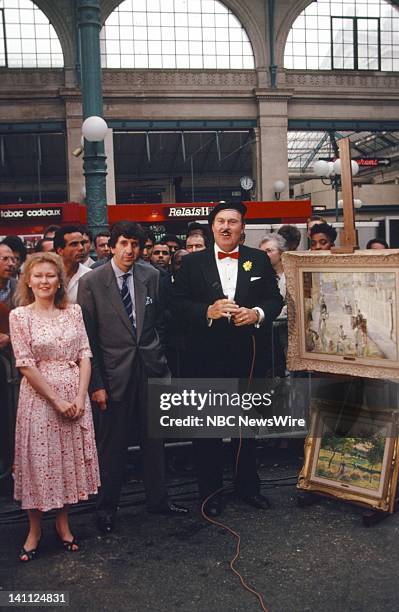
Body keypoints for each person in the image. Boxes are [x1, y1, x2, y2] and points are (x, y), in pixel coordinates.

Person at [173, 202, 283, 517]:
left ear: (242, 228)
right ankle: (210, 494)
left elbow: (274, 299)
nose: (226, 227)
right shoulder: (193, 263)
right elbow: (176, 305)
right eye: (220, 221)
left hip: (247, 355)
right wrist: (206, 311)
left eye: (232, 222)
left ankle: (248, 487)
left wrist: (257, 313)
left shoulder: (258, 259)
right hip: (204, 356)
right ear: (212, 227)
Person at [77, 221, 188, 534]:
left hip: (150, 367)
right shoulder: (92, 281)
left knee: (156, 439)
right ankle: (107, 508)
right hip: (113, 374)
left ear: (143, 248)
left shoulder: (151, 275)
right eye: (124, 243)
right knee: (113, 445)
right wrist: (96, 384)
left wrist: (157, 354)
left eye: (136, 245)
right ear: (112, 246)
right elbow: (88, 338)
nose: (130, 250)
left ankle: (159, 500)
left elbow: (160, 320)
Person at [9, 252, 100, 562]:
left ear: (60, 280)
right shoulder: (20, 316)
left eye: (50, 275)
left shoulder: (73, 312)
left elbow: (85, 355)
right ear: (28, 281)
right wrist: (57, 400)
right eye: (39, 276)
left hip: (75, 394)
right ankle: (34, 531)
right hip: (39, 399)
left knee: (66, 461)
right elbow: (25, 364)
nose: (45, 281)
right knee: (38, 462)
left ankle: (63, 524)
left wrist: (79, 397)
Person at [54, 225, 91, 302]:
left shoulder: (90, 276)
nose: (81, 248)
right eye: (74, 244)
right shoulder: (48, 275)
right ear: (60, 251)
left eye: (82, 243)